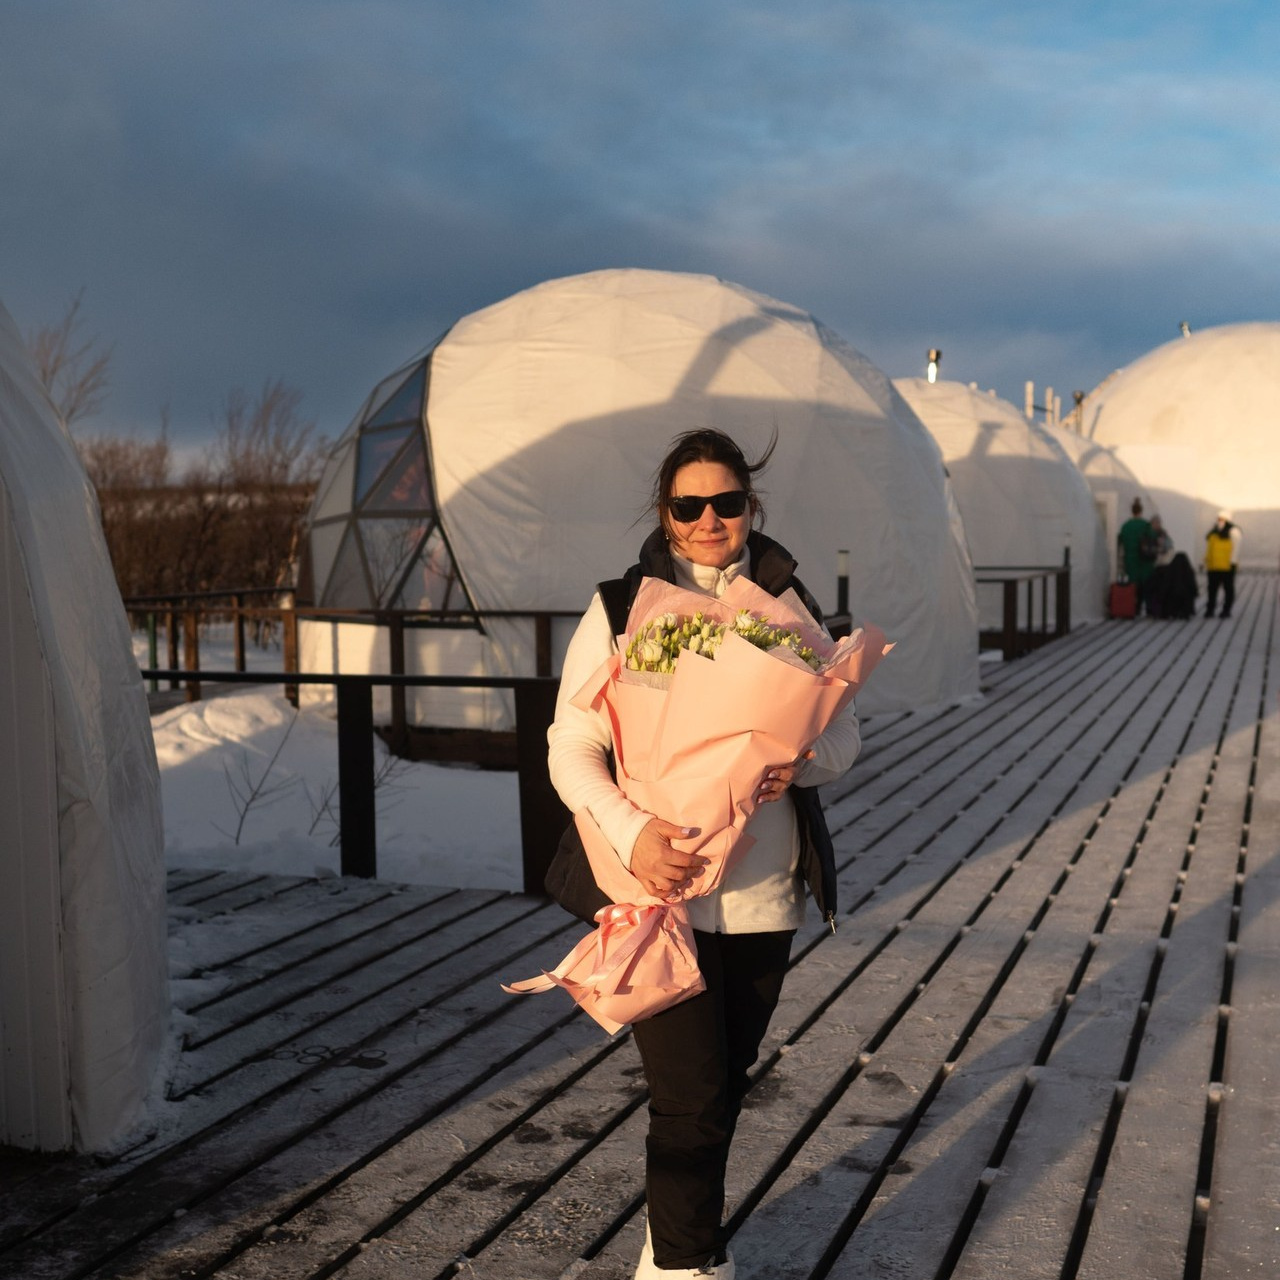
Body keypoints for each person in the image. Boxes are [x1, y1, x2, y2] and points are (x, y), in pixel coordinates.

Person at [547, 429, 862, 1278]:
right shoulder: (621, 610)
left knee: (724, 1083)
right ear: (666, 514)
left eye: (727, 502)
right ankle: (689, 1267)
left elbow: (845, 744)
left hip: (763, 892)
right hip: (658, 894)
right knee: (689, 1099)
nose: (710, 520)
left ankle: (670, 1247)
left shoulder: (788, 606)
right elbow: (569, 745)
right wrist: (632, 832)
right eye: (691, 505)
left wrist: (797, 756)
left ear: (750, 507)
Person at [1116, 498, 1155, 615]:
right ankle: (1148, 608)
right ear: (1141, 511)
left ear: (1132, 511)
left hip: (1130, 559)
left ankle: (1134, 607)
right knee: (1146, 584)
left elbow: (1120, 541)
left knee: (1133, 584)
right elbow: (1153, 538)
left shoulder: (1126, 526)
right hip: (1145, 561)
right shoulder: (1146, 525)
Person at [1204, 511, 1242, 618]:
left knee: (1228, 589)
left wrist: (1233, 562)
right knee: (1212, 589)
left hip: (1227, 566)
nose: (1219, 521)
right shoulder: (1214, 531)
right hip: (1213, 566)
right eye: (1218, 519)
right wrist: (1206, 561)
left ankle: (1226, 610)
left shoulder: (1234, 531)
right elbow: (1209, 548)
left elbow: (1236, 548)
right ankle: (1210, 609)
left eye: (1222, 519)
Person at [1144, 515, 1175, 617]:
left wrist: (1162, 548)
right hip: (1150, 565)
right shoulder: (1148, 535)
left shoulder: (1163, 534)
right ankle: (1151, 609)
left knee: (1159, 589)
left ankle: (1157, 610)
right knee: (1151, 589)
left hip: (1161, 566)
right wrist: (1157, 550)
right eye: (1155, 523)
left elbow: (1169, 546)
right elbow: (1145, 550)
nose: (1157, 525)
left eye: (1158, 523)